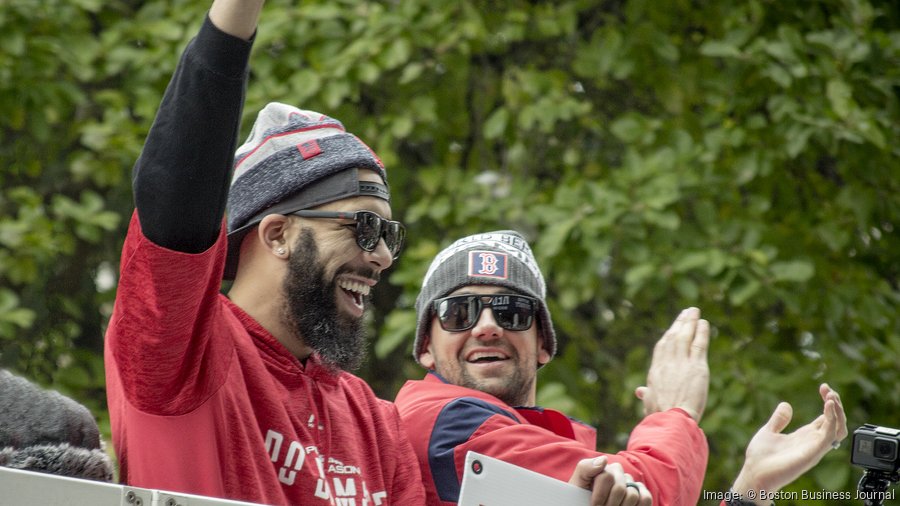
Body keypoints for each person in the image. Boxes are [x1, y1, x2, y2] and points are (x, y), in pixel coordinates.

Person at [104, 1, 424, 504]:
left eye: (388, 233)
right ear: (277, 235)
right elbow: (177, 191)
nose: (383, 255)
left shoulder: (373, 420)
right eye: (363, 226)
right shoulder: (183, 351)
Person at [394, 230, 847, 506]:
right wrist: (675, 416)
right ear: (426, 349)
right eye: (459, 312)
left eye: (512, 311)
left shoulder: (543, 440)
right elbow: (653, 494)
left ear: (543, 344)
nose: (487, 327)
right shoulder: (445, 424)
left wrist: (750, 490)